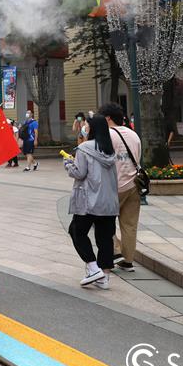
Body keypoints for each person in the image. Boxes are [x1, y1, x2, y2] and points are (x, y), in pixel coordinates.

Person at [64, 114, 119, 289]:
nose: (84, 127)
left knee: (76, 231)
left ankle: (93, 267)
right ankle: (105, 278)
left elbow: (79, 173)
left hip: (89, 200)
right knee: (105, 239)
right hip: (108, 201)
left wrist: (68, 164)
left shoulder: (84, 148)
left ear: (93, 128)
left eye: (86, 125)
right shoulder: (109, 149)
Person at [99, 103, 141, 272]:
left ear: (107, 118)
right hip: (134, 185)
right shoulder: (133, 134)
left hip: (113, 186)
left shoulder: (107, 134)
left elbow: (100, 159)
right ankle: (128, 261)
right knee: (129, 225)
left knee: (102, 222)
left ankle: (116, 251)